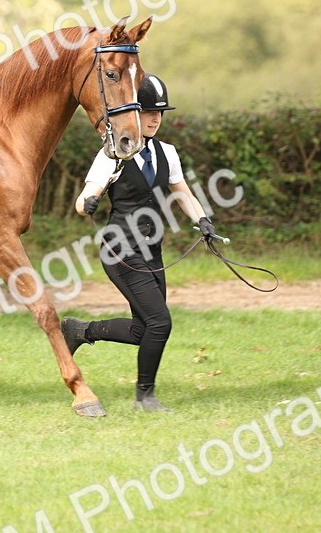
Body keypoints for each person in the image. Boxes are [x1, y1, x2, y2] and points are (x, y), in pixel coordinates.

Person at [61, 74, 221, 413]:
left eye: (159, 113)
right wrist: (89, 201)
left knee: (142, 329)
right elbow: (84, 197)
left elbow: (183, 195)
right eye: (148, 112)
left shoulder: (168, 153)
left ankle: (80, 330)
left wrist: (202, 221)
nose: (154, 119)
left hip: (152, 251)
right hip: (120, 251)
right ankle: (144, 397)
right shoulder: (113, 153)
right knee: (160, 323)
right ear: (133, 113)